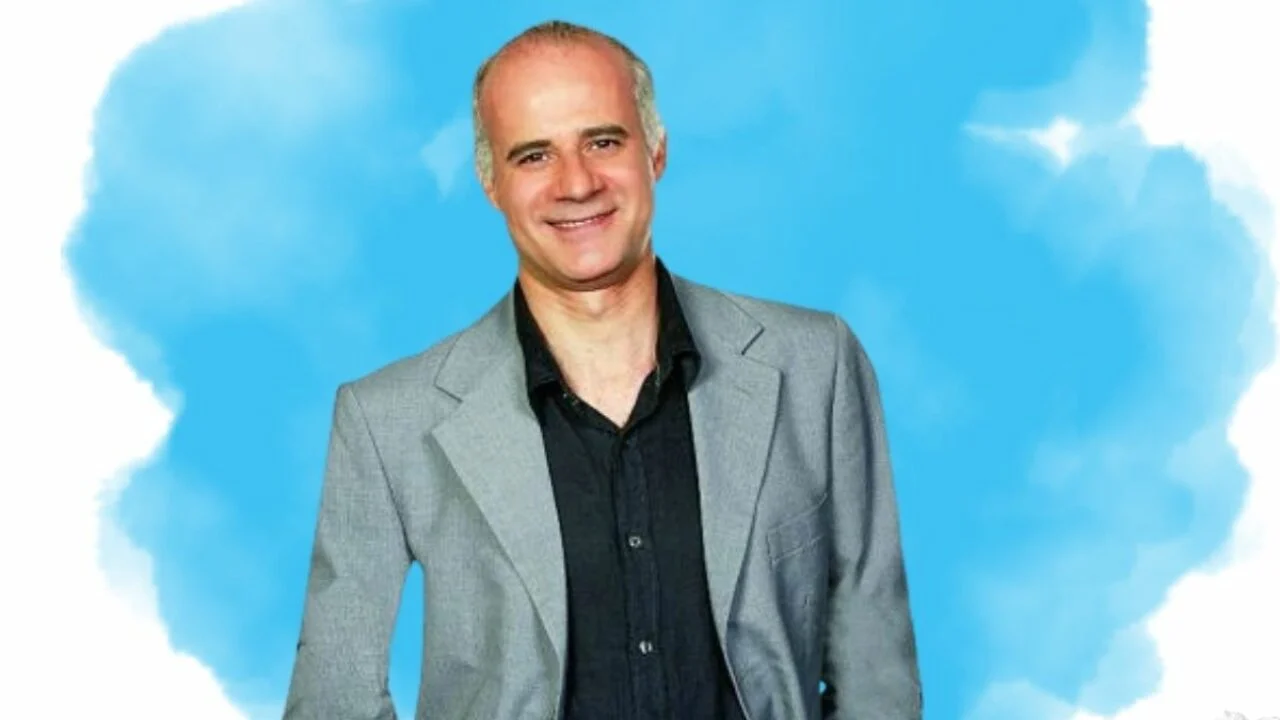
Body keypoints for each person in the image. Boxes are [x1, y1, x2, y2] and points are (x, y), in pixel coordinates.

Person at [284, 19, 921, 720]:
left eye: (603, 141)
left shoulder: (815, 365)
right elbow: (333, 699)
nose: (577, 183)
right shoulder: (386, 420)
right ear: (491, 181)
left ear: (657, 149)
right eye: (534, 155)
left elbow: (876, 672)